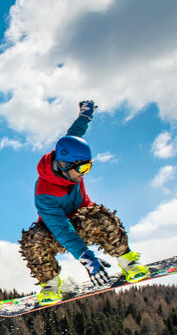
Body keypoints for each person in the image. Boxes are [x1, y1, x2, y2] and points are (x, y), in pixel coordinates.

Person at [18, 99, 149, 305]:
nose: (83, 174)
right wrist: (88, 259)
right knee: (32, 240)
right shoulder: (44, 193)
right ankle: (50, 285)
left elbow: (75, 132)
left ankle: (128, 261)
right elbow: (62, 229)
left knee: (99, 215)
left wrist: (86, 114)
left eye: (88, 168)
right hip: (56, 232)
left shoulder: (68, 155)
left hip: (84, 221)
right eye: (81, 169)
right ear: (63, 165)